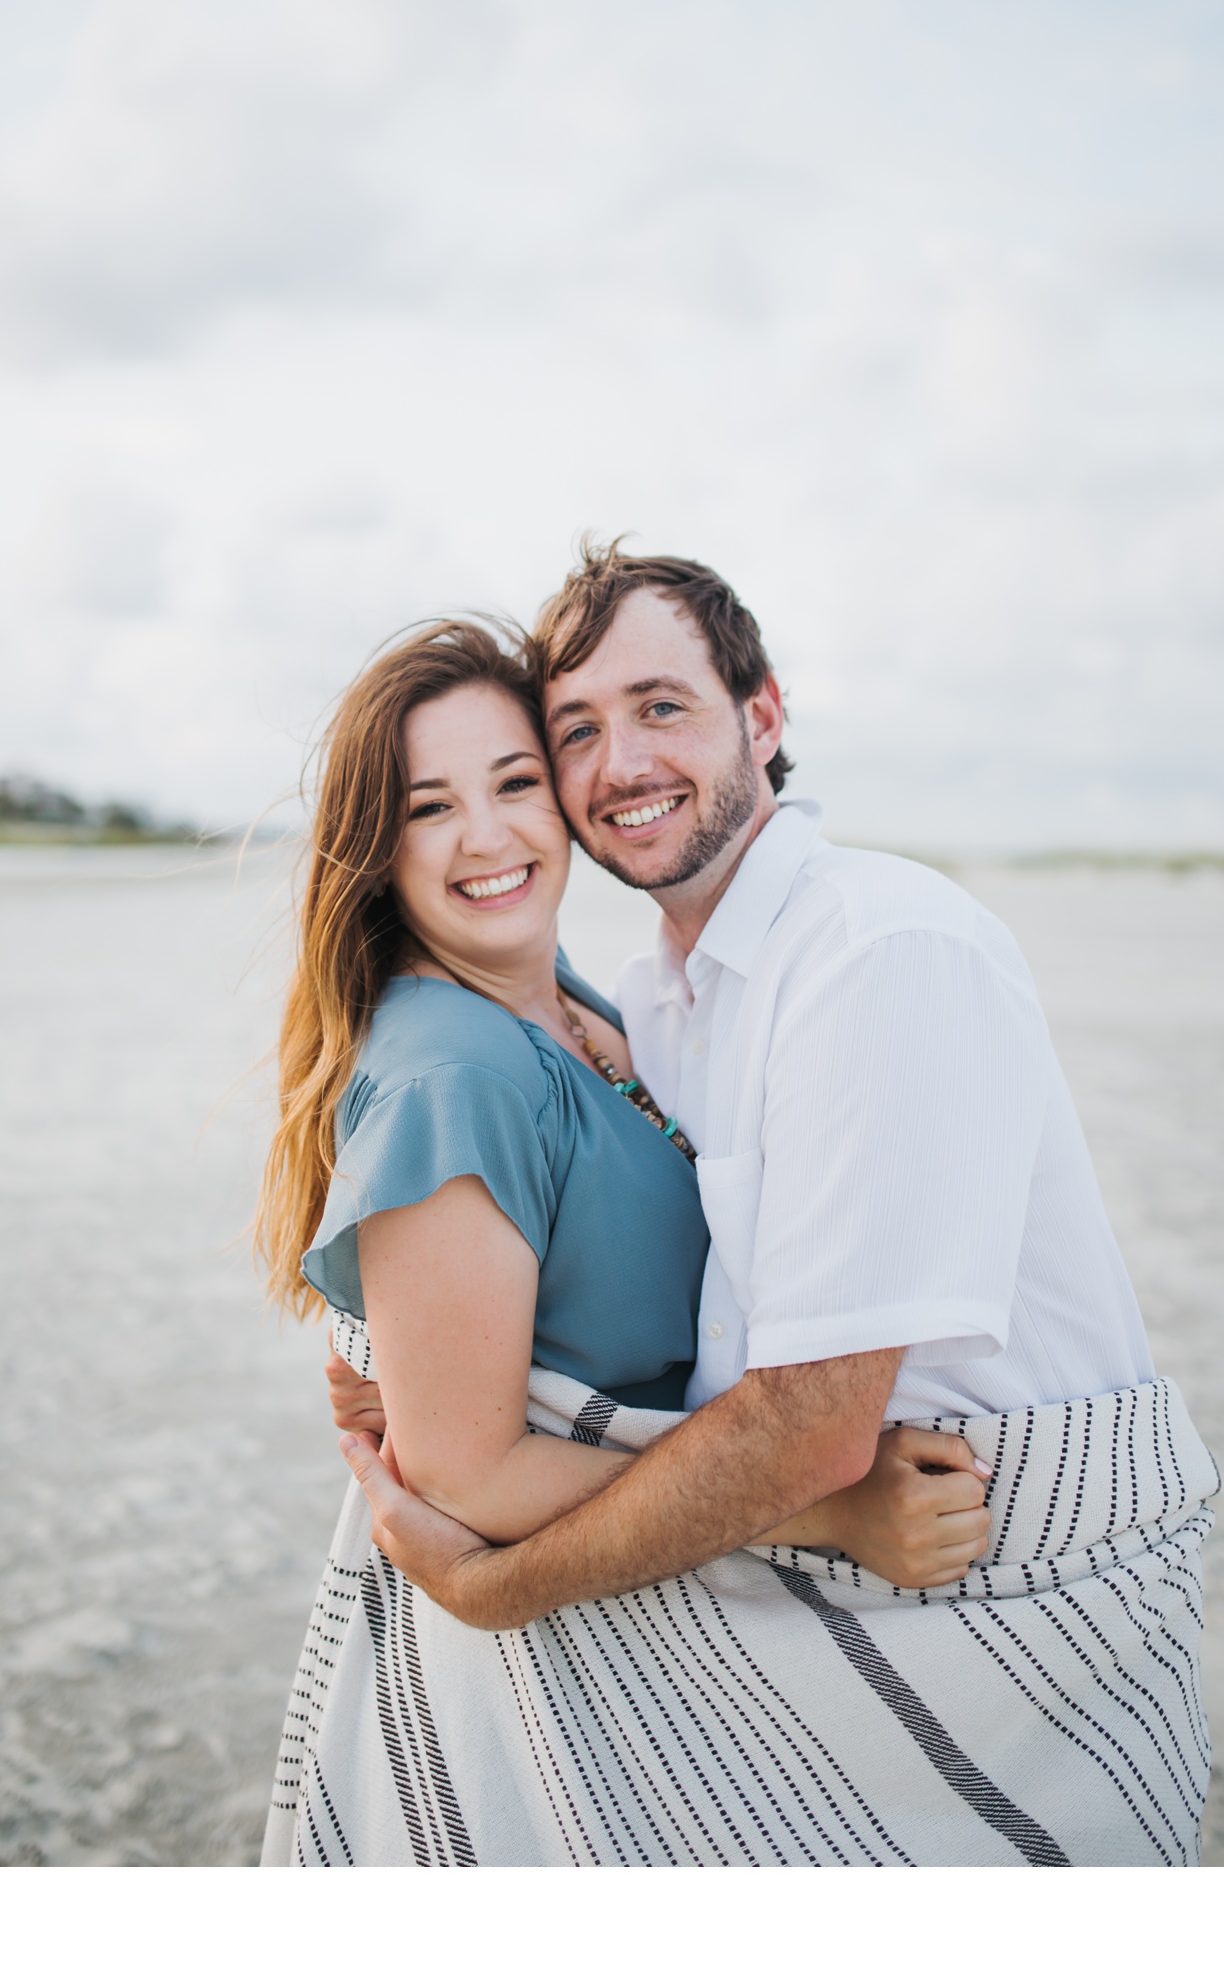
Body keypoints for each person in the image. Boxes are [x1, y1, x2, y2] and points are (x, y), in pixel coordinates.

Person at [340, 544, 1220, 1867]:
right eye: (572, 731)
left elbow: (811, 1428)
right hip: (824, 1575)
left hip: (995, 1587)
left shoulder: (873, 950)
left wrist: (490, 1583)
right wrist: (399, 1358)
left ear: (760, 716)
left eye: (660, 706)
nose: (617, 762)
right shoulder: (647, 1006)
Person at [258, 617, 990, 1870]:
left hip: (644, 1610)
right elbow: (470, 1475)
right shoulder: (459, 1068)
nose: (488, 838)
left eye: (516, 781)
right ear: (375, 853)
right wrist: (828, 1512)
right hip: (570, 1651)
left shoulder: (571, 1008)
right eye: (431, 807)